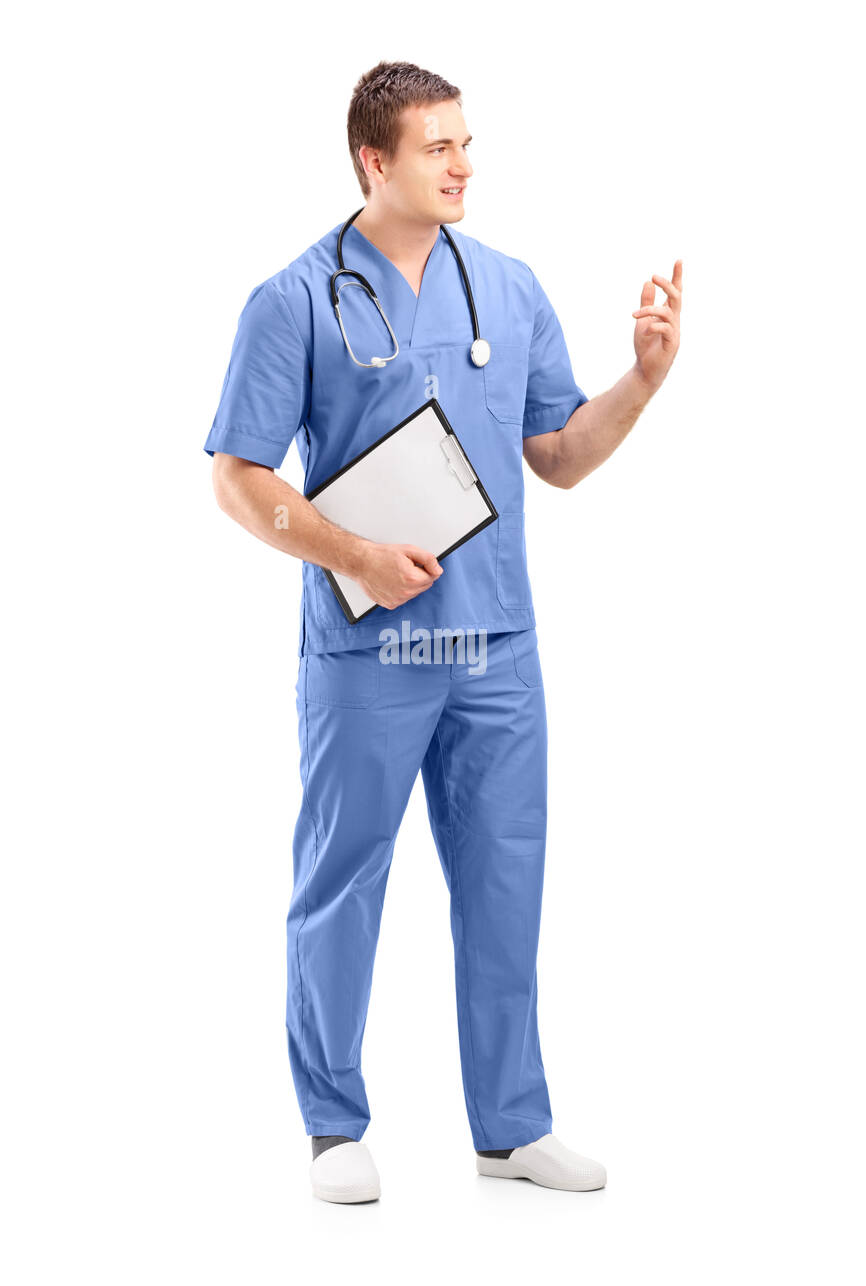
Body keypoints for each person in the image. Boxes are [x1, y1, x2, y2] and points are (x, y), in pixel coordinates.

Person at [204, 60, 682, 1204]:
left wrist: (643, 380)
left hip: (496, 654)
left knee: (506, 886)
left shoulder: (508, 289)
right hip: (370, 655)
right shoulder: (293, 301)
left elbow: (557, 455)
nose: (463, 164)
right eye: (437, 147)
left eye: (467, 143)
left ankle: (510, 1126)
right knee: (342, 880)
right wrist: (350, 556)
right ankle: (332, 1126)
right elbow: (235, 475)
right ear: (375, 161)